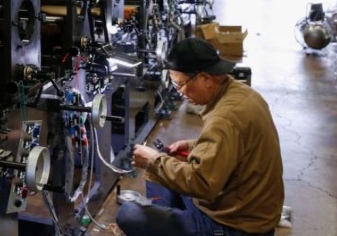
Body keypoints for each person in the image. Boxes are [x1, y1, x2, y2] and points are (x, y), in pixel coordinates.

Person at [116, 38, 283, 236]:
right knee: (159, 172)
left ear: (205, 79)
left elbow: (202, 184)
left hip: (235, 226)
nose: (180, 92)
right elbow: (237, 145)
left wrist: (153, 160)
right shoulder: (242, 94)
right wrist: (193, 146)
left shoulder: (224, 119)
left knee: (129, 213)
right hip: (242, 206)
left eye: (180, 84)